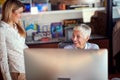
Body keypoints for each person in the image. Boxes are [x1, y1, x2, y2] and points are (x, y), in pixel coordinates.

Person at [0, 0, 28, 80]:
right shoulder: (2, 30)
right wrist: (7, 78)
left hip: (27, 68)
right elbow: (2, 59)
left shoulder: (17, 25)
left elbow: (22, 46)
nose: (20, 16)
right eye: (19, 13)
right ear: (10, 12)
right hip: (18, 72)